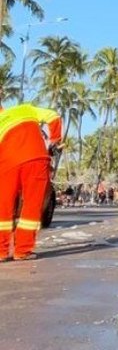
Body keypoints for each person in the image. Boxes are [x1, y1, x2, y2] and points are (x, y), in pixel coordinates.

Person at [0, 103, 62, 261]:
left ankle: (1, 251)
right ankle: (22, 251)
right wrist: (55, 139)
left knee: (3, 207)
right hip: (36, 159)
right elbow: (54, 117)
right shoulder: (25, 109)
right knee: (32, 206)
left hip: (7, 164)